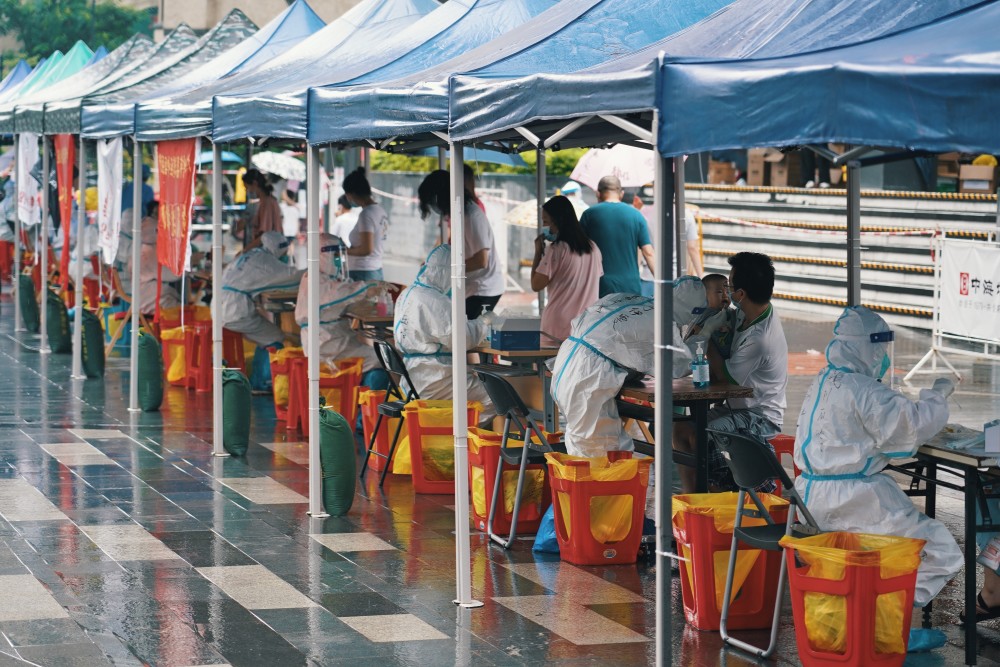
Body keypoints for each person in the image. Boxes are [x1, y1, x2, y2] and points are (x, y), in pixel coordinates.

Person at [794, 306, 961, 609]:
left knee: (856, 564)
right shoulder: (865, 390)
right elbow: (911, 426)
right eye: (880, 347)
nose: (883, 354)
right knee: (942, 550)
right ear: (867, 347)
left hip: (812, 499)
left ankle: (865, 616)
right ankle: (891, 617)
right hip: (856, 503)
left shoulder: (824, 379)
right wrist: (937, 394)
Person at [673, 252, 788, 493]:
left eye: (729, 288)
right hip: (737, 407)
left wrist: (708, 338)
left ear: (741, 294)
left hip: (759, 415)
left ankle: (721, 494)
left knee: (702, 437)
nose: (726, 294)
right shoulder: (749, 311)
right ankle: (691, 497)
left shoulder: (760, 338)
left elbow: (726, 380)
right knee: (680, 430)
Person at [393, 244, 494, 418]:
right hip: (436, 381)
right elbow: (463, 339)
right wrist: (485, 322)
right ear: (448, 273)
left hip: (415, 380)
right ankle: (480, 442)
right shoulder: (435, 301)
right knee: (498, 397)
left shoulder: (408, 293)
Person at [294, 233, 387, 388]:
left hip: (334, 343)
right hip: (328, 350)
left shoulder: (322, 278)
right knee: (384, 358)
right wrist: (369, 287)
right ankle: (366, 408)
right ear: (322, 255)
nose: (339, 260)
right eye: (335, 255)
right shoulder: (315, 280)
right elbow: (340, 293)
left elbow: (341, 298)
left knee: (379, 355)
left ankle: (361, 403)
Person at [418, 169, 504, 319]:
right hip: (472, 286)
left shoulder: (471, 215)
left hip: (484, 289)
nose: (434, 206)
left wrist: (445, 270)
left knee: (464, 335)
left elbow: (481, 261)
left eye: (433, 201)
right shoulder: (458, 213)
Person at [531, 195, 602, 346]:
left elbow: (536, 284)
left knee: (551, 368)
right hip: (586, 325)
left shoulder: (556, 249)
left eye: (546, 221)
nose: (544, 226)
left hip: (557, 326)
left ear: (557, 221)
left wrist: (538, 253)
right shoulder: (594, 248)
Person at [220, 231, 303, 348]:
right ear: (278, 249)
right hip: (235, 311)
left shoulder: (251, 255)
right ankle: (267, 366)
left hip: (222, 308)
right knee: (275, 337)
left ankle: (262, 365)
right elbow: (293, 276)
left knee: (267, 334)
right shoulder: (265, 262)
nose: (285, 255)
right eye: (284, 252)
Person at [579, 175, 655, 297]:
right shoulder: (636, 215)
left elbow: (578, 251)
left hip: (599, 286)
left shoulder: (589, 215)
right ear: (622, 194)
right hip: (630, 286)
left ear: (598, 193)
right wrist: (664, 285)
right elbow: (649, 253)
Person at [341, 167, 388, 281]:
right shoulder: (380, 211)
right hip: (376, 269)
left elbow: (366, 249)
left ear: (351, 194)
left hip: (363, 272)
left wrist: (344, 250)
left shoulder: (366, 214)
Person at [135, 201, 180, 315]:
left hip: (143, 293)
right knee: (180, 310)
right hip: (148, 299)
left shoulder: (144, 246)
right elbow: (173, 275)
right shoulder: (148, 251)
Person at [241, 169, 282, 248]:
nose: (247, 191)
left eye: (247, 187)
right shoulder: (269, 201)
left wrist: (245, 251)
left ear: (254, 184)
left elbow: (265, 235)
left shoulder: (267, 203)